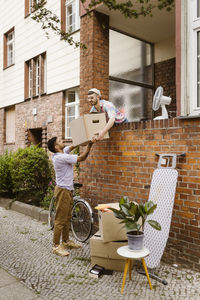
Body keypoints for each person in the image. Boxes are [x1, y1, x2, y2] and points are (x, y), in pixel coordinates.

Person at [47, 137, 95, 257]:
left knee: (67, 217)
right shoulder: (61, 157)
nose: (62, 141)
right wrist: (90, 145)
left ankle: (66, 241)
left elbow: (72, 146)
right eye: (59, 141)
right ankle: (56, 246)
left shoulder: (63, 152)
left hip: (67, 189)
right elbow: (82, 158)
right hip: (62, 191)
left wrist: (85, 137)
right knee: (60, 219)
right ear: (56, 147)